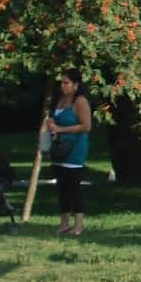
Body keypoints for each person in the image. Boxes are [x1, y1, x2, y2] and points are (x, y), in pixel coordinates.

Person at [47, 68, 92, 237]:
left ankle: (78, 224)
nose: (63, 86)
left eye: (66, 83)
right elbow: (53, 119)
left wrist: (62, 129)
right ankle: (64, 222)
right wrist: (51, 123)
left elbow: (86, 126)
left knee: (73, 186)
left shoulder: (79, 101)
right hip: (59, 148)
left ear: (75, 85)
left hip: (74, 149)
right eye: (62, 82)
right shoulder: (60, 100)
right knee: (62, 187)